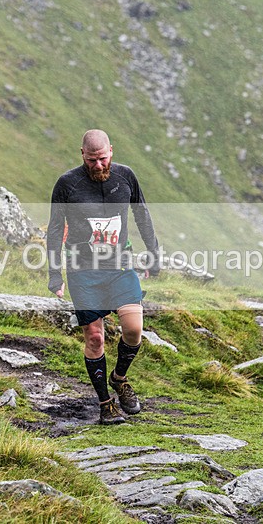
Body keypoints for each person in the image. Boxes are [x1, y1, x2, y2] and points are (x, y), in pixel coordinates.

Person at [47, 129, 161, 425]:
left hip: (120, 266)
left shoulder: (126, 177)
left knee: (134, 329)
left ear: (111, 151)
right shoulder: (67, 185)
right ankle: (105, 404)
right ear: (81, 154)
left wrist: (154, 254)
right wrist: (54, 274)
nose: (98, 165)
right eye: (92, 160)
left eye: (103, 158)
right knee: (95, 337)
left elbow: (142, 215)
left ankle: (119, 379)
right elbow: (55, 229)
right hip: (83, 272)